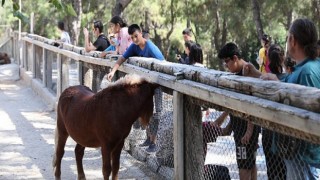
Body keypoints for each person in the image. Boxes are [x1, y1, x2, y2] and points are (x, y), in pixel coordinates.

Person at [244, 18, 320, 180]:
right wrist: (257, 74)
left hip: (305, 157)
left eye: (288, 37)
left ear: (292, 40)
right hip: (301, 155)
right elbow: (283, 83)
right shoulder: (306, 67)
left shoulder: (307, 72)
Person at [107, 24, 165, 153]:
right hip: (145, 86)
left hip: (156, 84)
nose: (134, 39)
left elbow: (163, 63)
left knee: (157, 112)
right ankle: (149, 138)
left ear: (140, 34)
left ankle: (154, 141)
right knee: (145, 111)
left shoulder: (150, 47)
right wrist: (113, 71)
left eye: (136, 36)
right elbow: (122, 58)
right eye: (132, 37)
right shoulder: (134, 46)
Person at [218, 42, 260, 180]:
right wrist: (230, 124)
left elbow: (251, 102)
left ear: (235, 58)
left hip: (245, 130)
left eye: (227, 61)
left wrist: (249, 129)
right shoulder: (236, 73)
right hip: (240, 128)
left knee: (243, 165)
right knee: (251, 163)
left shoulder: (248, 71)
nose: (226, 65)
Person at [262, 44, 287, 179]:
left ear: (268, 61)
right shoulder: (289, 79)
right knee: (284, 171)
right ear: (283, 58)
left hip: (268, 130)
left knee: (271, 170)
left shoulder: (265, 79)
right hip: (285, 133)